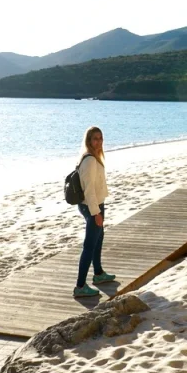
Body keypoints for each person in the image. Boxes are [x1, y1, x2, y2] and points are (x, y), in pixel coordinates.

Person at [73, 126, 115, 298]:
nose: (98, 141)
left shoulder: (93, 157)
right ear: (88, 141)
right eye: (95, 138)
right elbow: (89, 190)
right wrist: (96, 213)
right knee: (89, 246)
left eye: (100, 138)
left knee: (98, 239)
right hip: (92, 207)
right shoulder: (90, 160)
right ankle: (80, 286)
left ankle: (98, 274)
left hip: (95, 205)